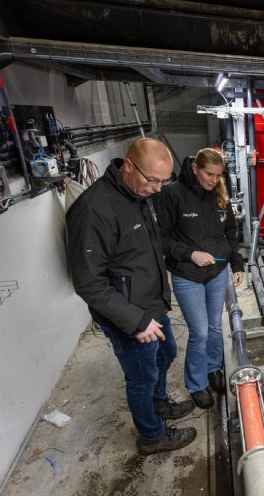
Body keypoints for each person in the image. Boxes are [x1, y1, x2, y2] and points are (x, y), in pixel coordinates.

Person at [66, 138, 197, 455]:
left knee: (165, 354)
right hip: (128, 316)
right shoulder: (94, 210)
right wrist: (136, 322)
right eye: (152, 180)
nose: (158, 188)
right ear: (128, 165)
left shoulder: (139, 195)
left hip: (151, 304)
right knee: (142, 376)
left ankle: (159, 404)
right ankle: (152, 436)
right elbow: (88, 283)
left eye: (163, 181)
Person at [157, 148, 244, 409]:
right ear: (195, 168)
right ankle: (196, 383)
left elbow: (230, 232)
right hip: (188, 275)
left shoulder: (219, 195)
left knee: (215, 326)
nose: (214, 180)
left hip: (217, 273)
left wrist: (237, 264)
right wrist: (190, 254)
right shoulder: (172, 194)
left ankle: (213, 367)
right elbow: (161, 238)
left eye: (218, 175)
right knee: (200, 331)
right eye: (209, 174)